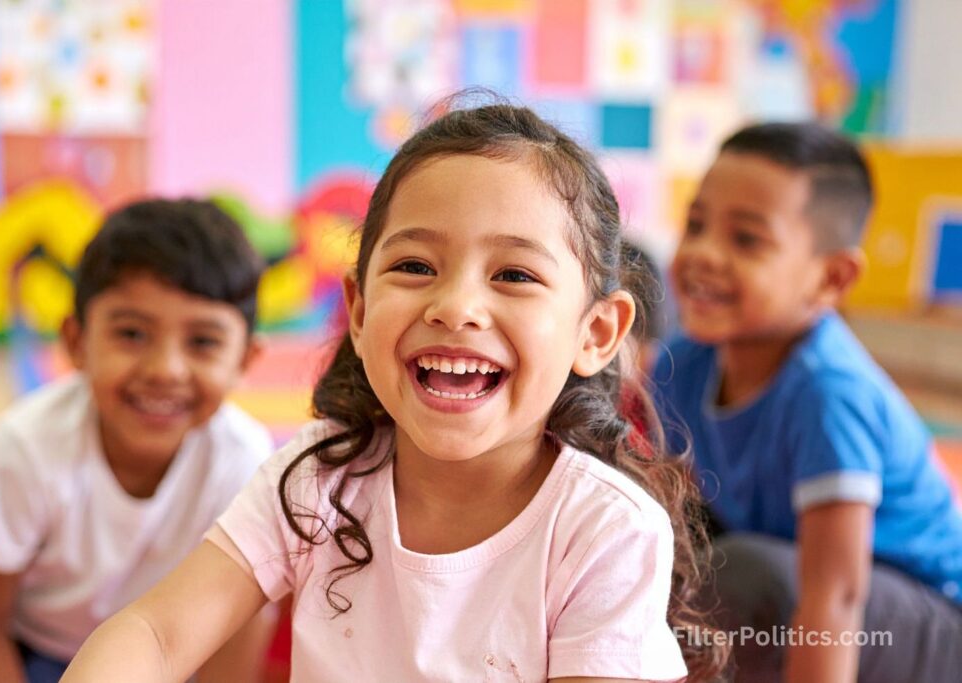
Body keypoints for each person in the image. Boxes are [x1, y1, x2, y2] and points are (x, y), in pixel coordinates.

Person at [61, 102, 728, 682]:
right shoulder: (321, 472)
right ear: (357, 307)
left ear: (597, 330)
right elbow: (157, 634)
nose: (456, 305)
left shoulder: (604, 526)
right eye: (414, 266)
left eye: (515, 274)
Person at [652, 122, 962, 682]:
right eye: (696, 224)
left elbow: (836, 598)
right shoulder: (688, 362)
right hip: (809, 588)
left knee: (747, 578)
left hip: (926, 625)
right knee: (663, 555)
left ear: (832, 276)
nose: (702, 253)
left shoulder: (828, 393)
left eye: (745, 239)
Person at [0, 198, 275, 683]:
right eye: (133, 334)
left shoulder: (243, 461)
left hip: (147, 654)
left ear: (245, 358)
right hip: (20, 636)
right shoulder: (26, 447)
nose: (165, 370)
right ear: (76, 342)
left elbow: (238, 628)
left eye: (202, 342)